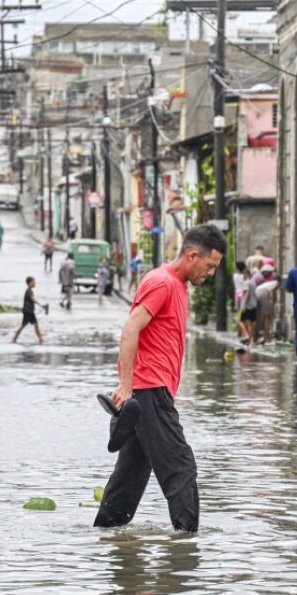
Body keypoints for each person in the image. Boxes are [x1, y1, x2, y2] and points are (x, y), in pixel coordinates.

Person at [94, 223, 227, 533]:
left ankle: (106, 534)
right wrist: (126, 385)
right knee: (181, 467)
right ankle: (187, 547)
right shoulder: (162, 283)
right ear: (193, 256)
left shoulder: (176, 285)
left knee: (131, 473)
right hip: (149, 392)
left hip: (149, 394)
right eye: (209, 266)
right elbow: (131, 329)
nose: (210, 274)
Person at [12, 276, 48, 344]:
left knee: (36, 325)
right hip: (28, 311)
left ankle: (41, 339)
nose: (34, 283)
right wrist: (41, 305)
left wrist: (41, 306)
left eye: (34, 282)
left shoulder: (30, 290)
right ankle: (14, 339)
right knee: (23, 325)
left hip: (30, 311)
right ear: (29, 283)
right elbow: (33, 299)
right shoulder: (29, 291)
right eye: (33, 282)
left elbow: (32, 299)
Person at [254, 264, 278, 345]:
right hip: (263, 293)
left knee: (261, 317)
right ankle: (268, 339)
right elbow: (274, 292)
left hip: (257, 292)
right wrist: (273, 302)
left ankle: (257, 338)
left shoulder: (266, 282)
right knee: (268, 317)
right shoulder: (276, 282)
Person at [238, 267, 258, 344]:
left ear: (246, 274)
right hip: (254, 304)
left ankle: (246, 335)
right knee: (252, 322)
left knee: (240, 321)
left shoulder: (246, 283)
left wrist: (243, 305)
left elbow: (247, 294)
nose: (242, 276)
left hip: (247, 305)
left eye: (243, 274)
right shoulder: (253, 283)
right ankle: (250, 339)